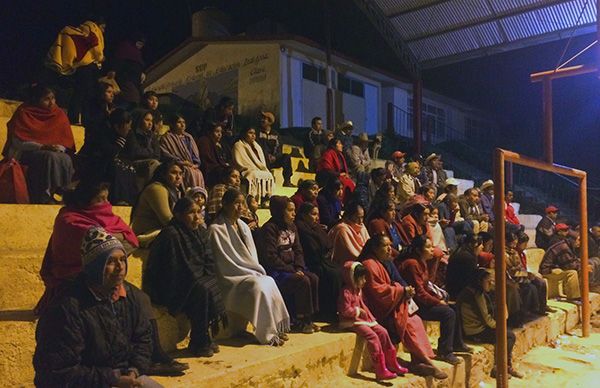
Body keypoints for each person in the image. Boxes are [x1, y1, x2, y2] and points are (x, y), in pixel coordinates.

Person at [33, 227, 162, 387]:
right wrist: (112, 379)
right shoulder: (67, 308)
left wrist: (134, 369)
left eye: (122, 259)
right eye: (110, 261)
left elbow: (143, 339)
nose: (120, 267)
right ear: (94, 267)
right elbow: (56, 371)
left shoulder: (131, 297)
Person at [145, 197, 227, 357]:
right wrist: (197, 279)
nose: (197, 217)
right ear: (178, 215)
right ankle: (199, 341)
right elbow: (168, 269)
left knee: (209, 285)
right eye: (191, 212)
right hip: (170, 285)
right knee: (202, 290)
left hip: (192, 279)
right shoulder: (171, 234)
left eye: (199, 212)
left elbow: (209, 260)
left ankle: (203, 337)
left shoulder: (201, 232)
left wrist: (204, 277)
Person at [208, 189, 290, 346]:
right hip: (230, 278)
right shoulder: (216, 229)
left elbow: (251, 256)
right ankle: (267, 334)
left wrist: (254, 271)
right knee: (258, 286)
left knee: (269, 281)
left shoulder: (243, 226)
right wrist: (248, 273)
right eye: (236, 203)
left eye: (242, 203)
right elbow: (224, 262)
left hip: (248, 272)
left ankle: (275, 328)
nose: (240, 207)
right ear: (224, 204)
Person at [359, 235, 447, 379]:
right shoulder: (369, 264)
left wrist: (404, 289)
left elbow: (397, 281)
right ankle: (426, 361)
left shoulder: (385, 262)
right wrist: (401, 291)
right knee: (409, 322)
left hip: (393, 302)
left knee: (416, 320)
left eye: (390, 245)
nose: (389, 249)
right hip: (379, 307)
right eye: (385, 246)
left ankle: (418, 360)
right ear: (375, 248)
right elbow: (377, 291)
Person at [398, 235, 471, 365]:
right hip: (414, 304)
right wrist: (437, 302)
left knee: (454, 307)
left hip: (422, 301)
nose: (432, 249)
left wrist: (439, 298)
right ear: (419, 250)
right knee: (448, 313)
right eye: (428, 247)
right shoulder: (412, 264)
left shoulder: (422, 262)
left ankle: (457, 344)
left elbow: (426, 286)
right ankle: (445, 351)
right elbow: (419, 293)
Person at [3, 85, 75, 203]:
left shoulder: (58, 114)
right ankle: (44, 194)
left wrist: (59, 148)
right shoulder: (24, 112)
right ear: (37, 99)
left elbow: (65, 140)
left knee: (65, 158)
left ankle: (59, 192)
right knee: (48, 157)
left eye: (53, 98)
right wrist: (42, 147)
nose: (51, 102)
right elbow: (18, 142)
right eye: (46, 99)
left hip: (51, 151)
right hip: (26, 153)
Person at [259, 196, 320, 333]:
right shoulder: (269, 229)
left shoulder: (292, 227)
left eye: (294, 210)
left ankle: (309, 318)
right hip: (278, 270)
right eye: (290, 210)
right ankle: (298, 320)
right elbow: (271, 257)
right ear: (280, 211)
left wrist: (298, 267)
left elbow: (298, 250)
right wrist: (291, 270)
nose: (294, 214)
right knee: (302, 280)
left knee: (314, 278)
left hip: (293, 267)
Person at [338, 261, 408, 380]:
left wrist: (369, 316)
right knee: (372, 336)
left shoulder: (359, 291)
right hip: (352, 321)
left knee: (383, 332)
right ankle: (379, 368)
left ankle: (391, 362)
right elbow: (345, 310)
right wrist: (358, 311)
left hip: (363, 319)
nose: (364, 281)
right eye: (362, 278)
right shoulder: (346, 292)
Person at [457, 269, 524, 379]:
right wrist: (501, 326)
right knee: (509, 336)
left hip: (478, 327)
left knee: (506, 334)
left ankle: (506, 366)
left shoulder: (476, 291)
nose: (490, 284)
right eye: (488, 281)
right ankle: (500, 367)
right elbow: (487, 320)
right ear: (479, 281)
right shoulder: (475, 295)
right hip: (474, 331)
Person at [45, 17, 106, 124]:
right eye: (103, 27)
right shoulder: (93, 28)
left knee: (80, 92)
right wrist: (100, 57)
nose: (103, 31)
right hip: (87, 65)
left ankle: (76, 118)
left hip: (80, 65)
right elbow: (95, 44)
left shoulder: (82, 28)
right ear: (99, 24)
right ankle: (80, 119)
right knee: (85, 93)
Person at [77, 108, 137, 205]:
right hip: (96, 162)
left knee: (127, 167)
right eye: (127, 126)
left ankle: (128, 199)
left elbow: (132, 153)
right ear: (117, 126)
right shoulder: (100, 132)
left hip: (118, 159)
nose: (129, 128)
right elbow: (107, 152)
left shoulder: (129, 133)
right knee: (115, 167)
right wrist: (120, 142)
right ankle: (117, 199)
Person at [295, 202, 343, 323]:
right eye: (313, 214)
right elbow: (311, 248)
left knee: (339, 271)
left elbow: (327, 244)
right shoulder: (301, 227)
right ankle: (326, 312)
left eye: (317, 214)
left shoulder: (315, 227)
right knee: (332, 275)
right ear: (304, 215)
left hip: (322, 259)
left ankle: (335, 309)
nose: (316, 217)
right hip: (310, 262)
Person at [131, 160, 184, 247]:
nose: (178, 177)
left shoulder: (174, 191)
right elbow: (168, 220)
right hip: (146, 235)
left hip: (161, 232)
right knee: (178, 235)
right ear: (163, 174)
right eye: (174, 173)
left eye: (181, 174)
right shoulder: (156, 188)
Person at [232, 127, 275, 207]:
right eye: (250, 133)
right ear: (244, 134)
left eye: (254, 134)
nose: (253, 135)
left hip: (257, 169)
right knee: (253, 175)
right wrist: (251, 168)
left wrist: (258, 168)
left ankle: (264, 199)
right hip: (246, 169)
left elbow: (261, 162)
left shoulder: (257, 146)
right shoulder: (238, 145)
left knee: (269, 174)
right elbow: (240, 161)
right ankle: (253, 200)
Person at [160, 114, 205, 189]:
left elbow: (195, 155)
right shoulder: (166, 138)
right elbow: (166, 153)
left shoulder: (188, 137)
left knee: (198, 173)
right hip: (177, 164)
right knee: (188, 172)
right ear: (172, 124)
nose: (182, 125)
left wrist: (195, 164)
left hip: (191, 165)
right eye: (179, 122)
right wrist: (182, 162)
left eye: (183, 122)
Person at [515, 232, 553, 313]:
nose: (525, 246)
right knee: (532, 287)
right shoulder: (515, 254)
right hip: (518, 278)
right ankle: (531, 309)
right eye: (524, 244)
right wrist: (526, 275)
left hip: (524, 275)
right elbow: (516, 271)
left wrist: (529, 274)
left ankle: (543, 306)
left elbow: (524, 268)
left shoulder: (522, 254)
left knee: (541, 282)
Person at [124, 109, 161, 189]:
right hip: (134, 162)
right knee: (154, 163)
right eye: (147, 120)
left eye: (151, 120)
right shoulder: (132, 134)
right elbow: (135, 152)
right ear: (140, 120)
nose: (150, 123)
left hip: (150, 161)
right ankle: (150, 189)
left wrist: (148, 152)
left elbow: (157, 154)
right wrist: (150, 151)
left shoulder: (152, 135)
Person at [257, 111, 294, 187]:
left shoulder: (275, 134)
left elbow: (279, 147)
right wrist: (267, 155)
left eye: (265, 119)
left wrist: (275, 156)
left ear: (270, 122)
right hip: (261, 159)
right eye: (262, 118)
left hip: (273, 159)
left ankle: (287, 181)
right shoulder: (257, 132)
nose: (262, 120)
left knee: (286, 157)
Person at [112, 32, 146, 109]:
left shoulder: (137, 53)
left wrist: (142, 73)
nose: (140, 46)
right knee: (132, 99)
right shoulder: (125, 48)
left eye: (142, 45)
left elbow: (139, 66)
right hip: (126, 80)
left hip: (135, 82)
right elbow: (119, 63)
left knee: (134, 101)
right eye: (139, 43)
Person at [446, 233, 482, 300]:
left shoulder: (460, 251)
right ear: (474, 245)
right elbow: (473, 279)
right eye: (480, 244)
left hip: (454, 289)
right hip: (459, 293)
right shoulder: (467, 258)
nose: (482, 247)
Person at [197, 121, 231, 186]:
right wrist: (222, 165)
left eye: (221, 132)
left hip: (220, 166)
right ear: (210, 132)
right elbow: (207, 159)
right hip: (210, 169)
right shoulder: (204, 141)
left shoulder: (222, 144)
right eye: (217, 131)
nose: (219, 134)